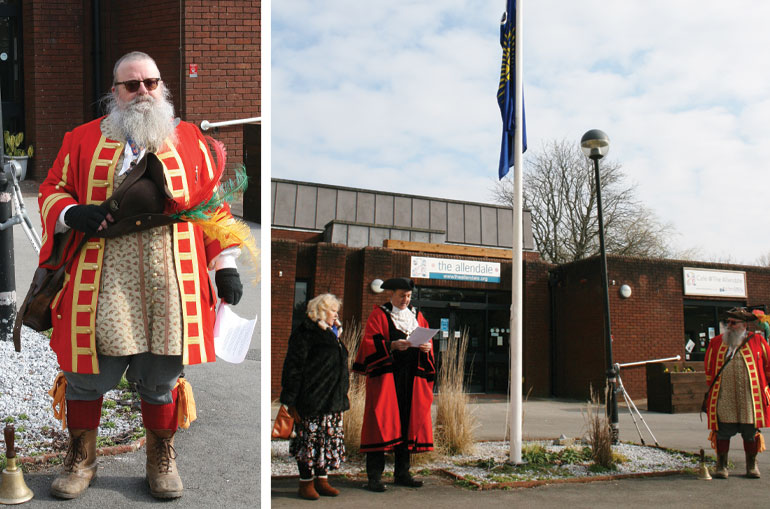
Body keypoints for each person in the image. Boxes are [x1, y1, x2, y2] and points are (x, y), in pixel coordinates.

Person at [38, 51, 244, 499]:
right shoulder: (81, 138)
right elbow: (53, 187)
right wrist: (73, 213)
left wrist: (225, 265)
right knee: (87, 374)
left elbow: (213, 208)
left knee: (161, 375)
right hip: (102, 275)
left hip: (172, 277)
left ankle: (161, 458)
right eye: (132, 85)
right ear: (115, 92)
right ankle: (80, 457)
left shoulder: (192, 139)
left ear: (162, 87)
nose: (143, 92)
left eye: (151, 82)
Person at [353, 277, 435, 492]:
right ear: (391, 294)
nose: (405, 300)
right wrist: (391, 345)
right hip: (387, 379)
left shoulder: (417, 316)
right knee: (381, 421)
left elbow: (428, 343)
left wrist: (426, 348)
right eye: (401, 295)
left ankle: (402, 473)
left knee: (407, 422)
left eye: (408, 296)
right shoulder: (379, 315)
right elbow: (369, 343)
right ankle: (374, 477)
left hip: (411, 380)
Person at [280, 293, 349, 500]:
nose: (336, 314)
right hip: (311, 399)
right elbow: (293, 367)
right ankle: (305, 482)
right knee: (309, 442)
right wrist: (290, 401)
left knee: (327, 441)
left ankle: (322, 479)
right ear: (321, 310)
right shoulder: (306, 332)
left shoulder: (333, 333)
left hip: (332, 400)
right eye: (333, 310)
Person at [704, 307, 770, 479]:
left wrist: (765, 387)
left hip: (749, 397)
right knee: (723, 432)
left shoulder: (758, 341)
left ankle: (751, 465)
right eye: (728, 323)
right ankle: (722, 466)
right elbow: (709, 369)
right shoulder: (716, 342)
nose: (729, 326)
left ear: (743, 325)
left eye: (733, 323)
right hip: (725, 396)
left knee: (750, 432)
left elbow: (768, 366)